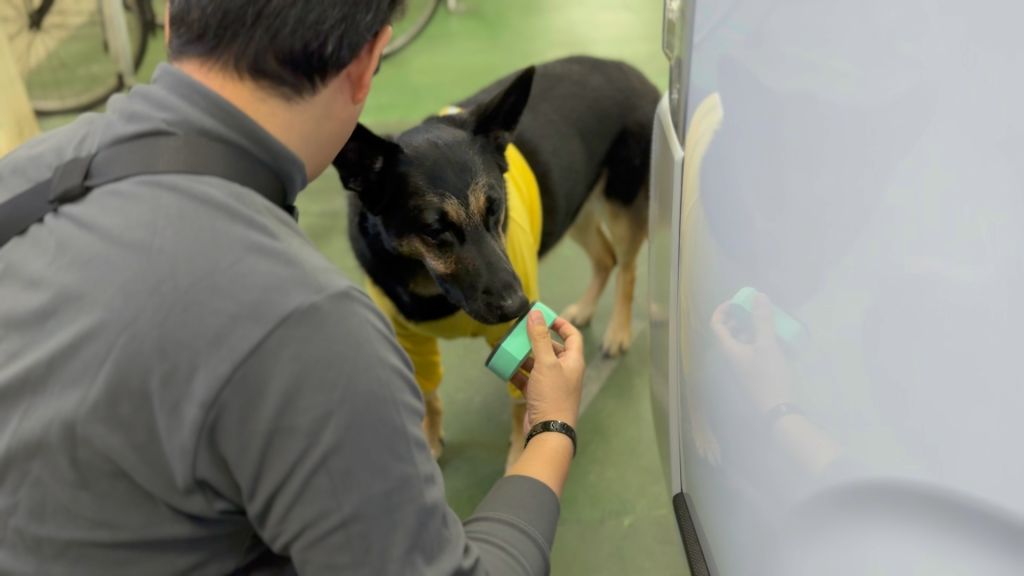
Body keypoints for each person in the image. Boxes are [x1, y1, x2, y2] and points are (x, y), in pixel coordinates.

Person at [0, 1, 586, 574]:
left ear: (172, 18)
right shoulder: (315, 334)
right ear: (367, 64)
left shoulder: (23, 175)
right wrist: (551, 426)